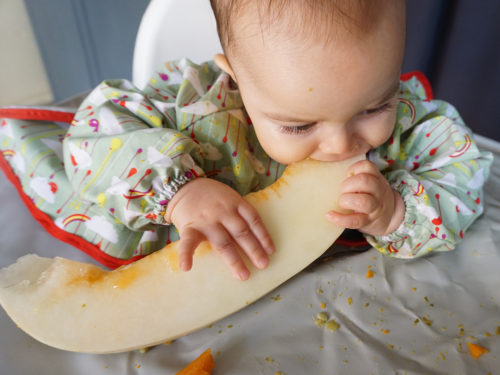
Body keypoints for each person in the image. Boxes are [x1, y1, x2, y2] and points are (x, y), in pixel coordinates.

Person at [0, 0, 492, 280]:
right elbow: (96, 131)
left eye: (373, 107)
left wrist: (396, 213)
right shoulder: (199, 104)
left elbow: (462, 178)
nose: (342, 145)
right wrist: (179, 192)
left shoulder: (413, 126)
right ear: (236, 80)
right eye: (299, 126)